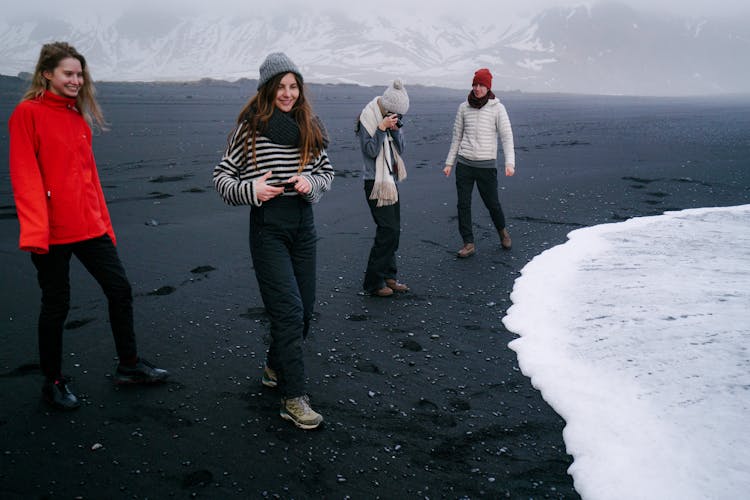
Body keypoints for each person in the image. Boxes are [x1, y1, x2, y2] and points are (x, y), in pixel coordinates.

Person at [8, 42, 170, 411]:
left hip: (88, 226)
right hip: (50, 232)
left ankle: (128, 365)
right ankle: (52, 382)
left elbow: (90, 179)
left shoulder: (78, 118)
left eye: (80, 74)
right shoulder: (27, 114)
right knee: (56, 305)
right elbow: (25, 175)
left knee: (120, 289)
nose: (76, 80)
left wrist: (104, 225)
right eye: (68, 73)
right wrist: (35, 232)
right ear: (46, 74)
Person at [213, 52, 334, 430]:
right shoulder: (247, 130)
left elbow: (326, 172)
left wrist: (309, 182)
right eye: (280, 87)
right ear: (267, 89)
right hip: (268, 227)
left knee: (306, 311)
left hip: (303, 224)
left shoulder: (310, 125)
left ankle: (273, 368)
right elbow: (222, 178)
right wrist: (253, 189)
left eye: (293, 86)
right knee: (288, 311)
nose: (287, 94)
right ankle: (292, 397)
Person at [443, 67, 516, 258]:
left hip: (486, 166)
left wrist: (510, 163)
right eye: (475, 84)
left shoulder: (497, 108)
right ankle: (468, 243)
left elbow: (506, 136)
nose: (477, 88)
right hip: (465, 164)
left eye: (481, 85)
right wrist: (449, 163)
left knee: (492, 204)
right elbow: (456, 137)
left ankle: (502, 232)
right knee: (463, 205)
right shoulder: (463, 107)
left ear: (488, 87)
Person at [356, 79, 410, 297]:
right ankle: (373, 281)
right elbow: (370, 150)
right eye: (395, 113)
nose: (396, 116)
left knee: (394, 231)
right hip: (375, 182)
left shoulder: (390, 119)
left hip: (390, 180)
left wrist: (395, 130)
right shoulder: (367, 118)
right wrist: (381, 129)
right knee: (387, 231)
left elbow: (402, 149)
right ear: (387, 107)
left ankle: (389, 276)